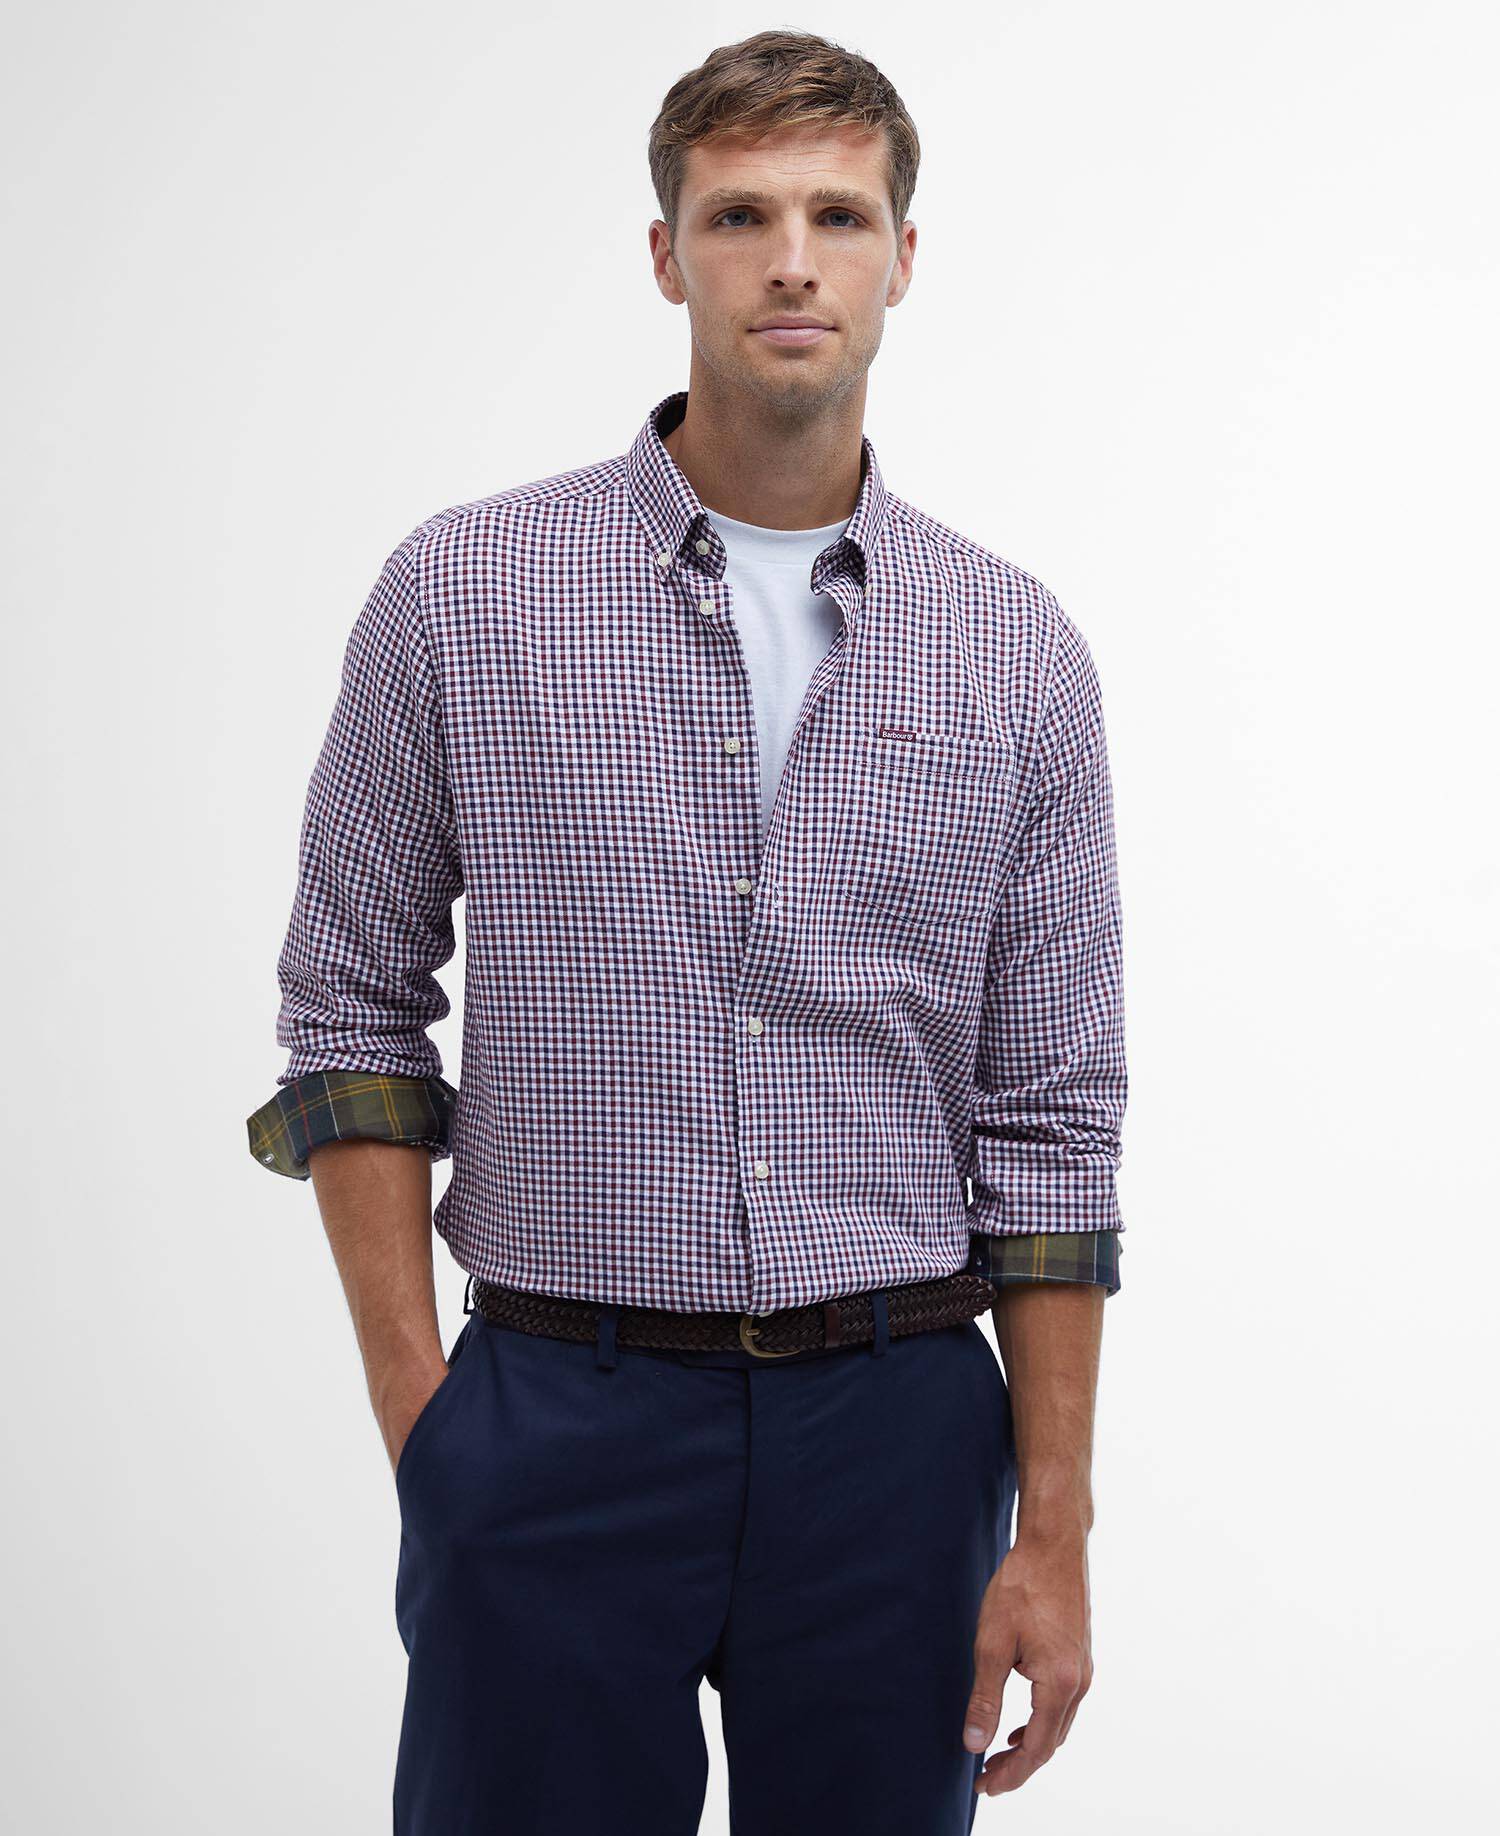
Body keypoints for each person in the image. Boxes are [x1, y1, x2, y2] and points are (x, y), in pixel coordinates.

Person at [244, 28, 1127, 1834]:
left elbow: (1052, 1117)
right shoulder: (463, 595)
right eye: (740, 216)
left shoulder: (1018, 653)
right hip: (553, 1420)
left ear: (902, 257)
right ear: (667, 255)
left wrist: (1055, 1527)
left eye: (838, 216)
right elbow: (348, 1012)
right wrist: (428, 1421)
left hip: (896, 1439)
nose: (791, 261)